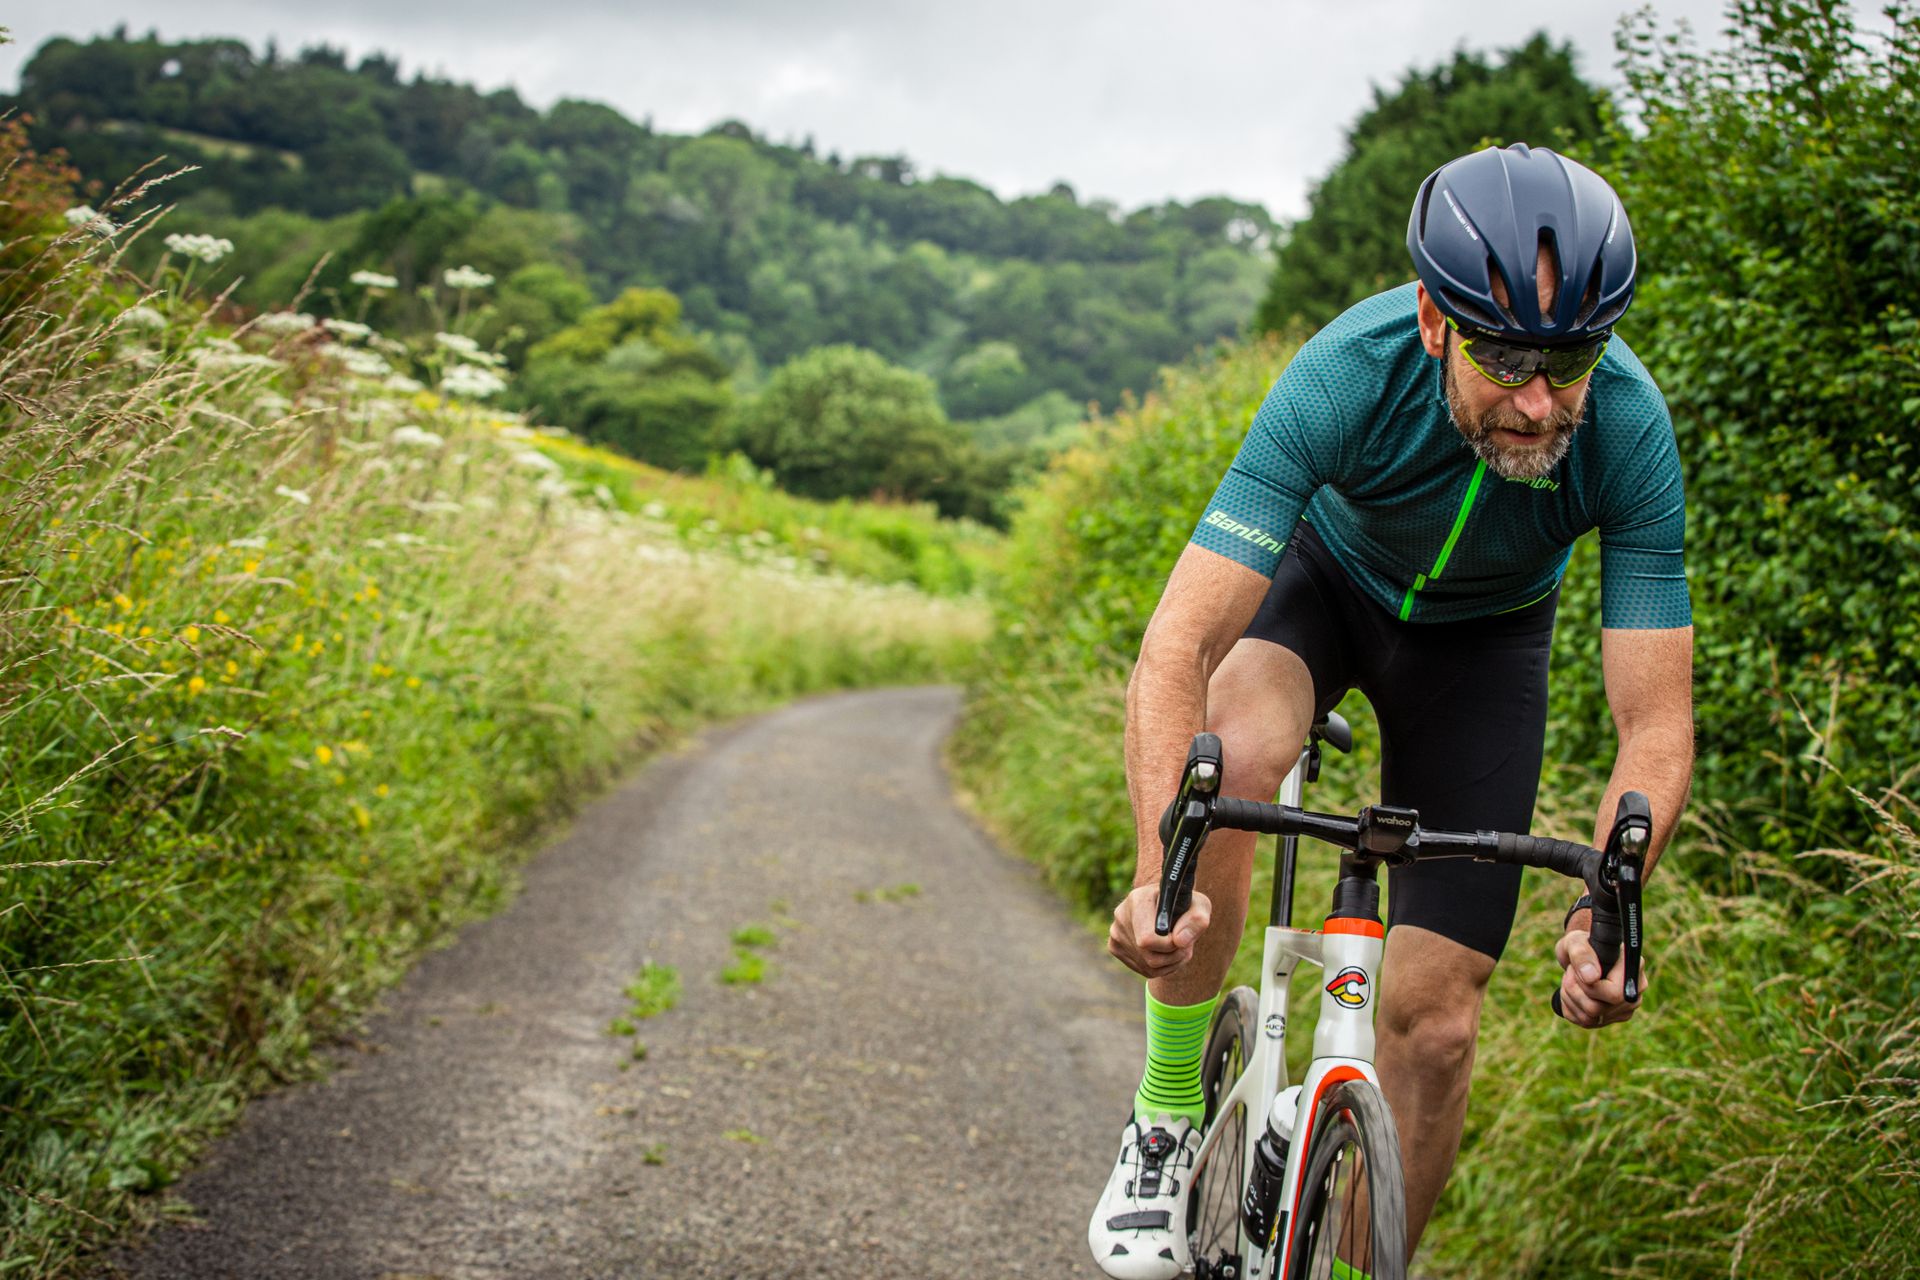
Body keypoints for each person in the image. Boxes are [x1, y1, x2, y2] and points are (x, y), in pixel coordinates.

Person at [1087, 142, 1695, 1279]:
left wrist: (1610, 907)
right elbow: (1179, 642)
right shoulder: (1345, 372)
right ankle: (1168, 1110)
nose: (1538, 399)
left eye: (1571, 358)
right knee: (1242, 753)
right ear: (1432, 318)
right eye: (1506, 353)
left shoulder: (1628, 426)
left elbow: (1653, 724)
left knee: (1439, 1019)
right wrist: (1151, 871)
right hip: (1327, 590)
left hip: (1486, 646)